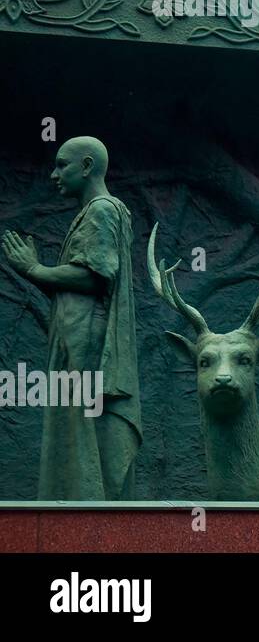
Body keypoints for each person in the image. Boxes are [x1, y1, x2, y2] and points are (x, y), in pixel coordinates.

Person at [2, 137, 141, 499]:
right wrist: (38, 274)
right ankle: (74, 511)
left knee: (80, 429)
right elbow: (80, 285)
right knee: (73, 428)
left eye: (62, 165)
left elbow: (93, 276)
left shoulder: (103, 210)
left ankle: (85, 515)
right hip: (76, 339)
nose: (54, 174)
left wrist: (33, 268)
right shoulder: (99, 211)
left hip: (86, 345)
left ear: (87, 166)